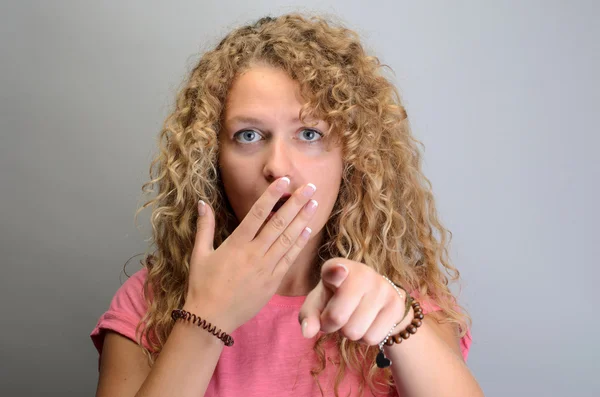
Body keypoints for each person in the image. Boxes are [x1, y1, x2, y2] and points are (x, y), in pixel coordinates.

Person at [91, 13, 484, 397]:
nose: (277, 166)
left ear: (352, 157)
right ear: (212, 158)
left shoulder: (408, 304)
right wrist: (205, 318)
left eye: (309, 133)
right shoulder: (148, 301)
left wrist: (397, 321)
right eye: (248, 135)